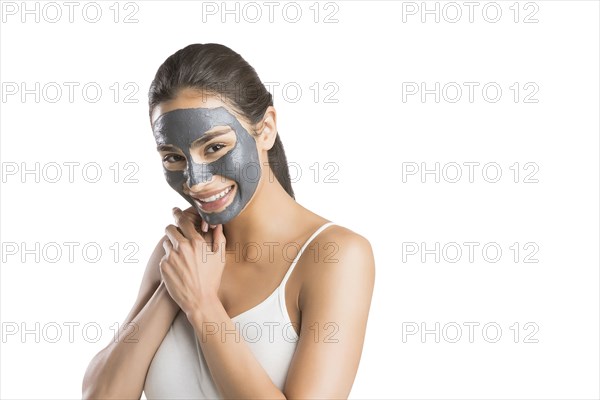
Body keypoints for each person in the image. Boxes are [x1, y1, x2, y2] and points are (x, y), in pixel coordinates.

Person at [82, 43, 375, 399]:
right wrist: (172, 288)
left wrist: (202, 305)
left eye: (215, 147)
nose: (196, 179)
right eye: (173, 157)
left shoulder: (335, 256)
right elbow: (101, 395)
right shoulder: (177, 254)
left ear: (265, 129)